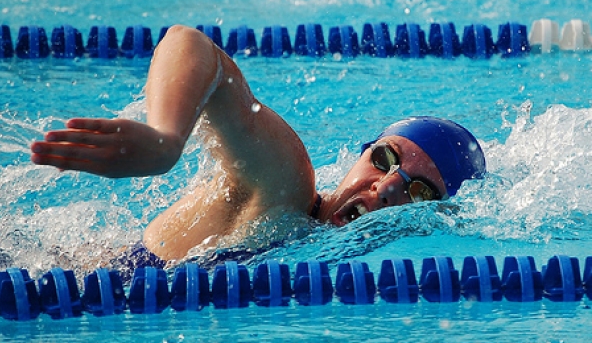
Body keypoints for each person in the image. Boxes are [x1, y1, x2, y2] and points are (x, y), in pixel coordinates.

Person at [30, 25, 485, 267]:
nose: (387, 189)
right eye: (385, 159)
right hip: (46, 279)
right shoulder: (286, 185)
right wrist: (166, 139)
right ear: (359, 155)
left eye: (420, 191)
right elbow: (190, 43)